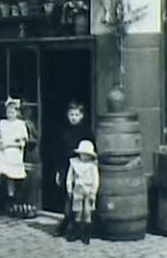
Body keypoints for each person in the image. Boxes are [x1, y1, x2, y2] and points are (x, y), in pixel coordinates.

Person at [55, 101, 95, 236]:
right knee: (68, 195)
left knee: (82, 201)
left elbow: (91, 150)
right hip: (68, 167)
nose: (73, 117)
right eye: (71, 114)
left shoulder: (86, 131)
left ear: (82, 116)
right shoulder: (64, 131)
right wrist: (59, 170)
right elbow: (60, 152)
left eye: (76, 114)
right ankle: (67, 222)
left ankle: (80, 227)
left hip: (82, 169)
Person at [0, 98, 28, 217]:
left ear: (17, 113)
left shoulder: (20, 124)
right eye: (8, 112)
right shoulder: (3, 123)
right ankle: (7, 202)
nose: (10, 114)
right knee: (3, 176)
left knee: (15, 177)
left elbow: (22, 143)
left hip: (14, 152)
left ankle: (16, 203)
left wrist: (9, 144)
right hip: (3, 153)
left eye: (13, 112)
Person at [64, 140, 99, 244]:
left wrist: (93, 191)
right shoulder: (74, 164)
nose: (84, 157)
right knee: (77, 211)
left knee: (87, 212)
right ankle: (76, 232)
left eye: (87, 155)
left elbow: (95, 179)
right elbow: (69, 177)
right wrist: (69, 188)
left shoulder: (92, 166)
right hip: (78, 189)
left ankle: (86, 234)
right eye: (83, 154)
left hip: (88, 190)